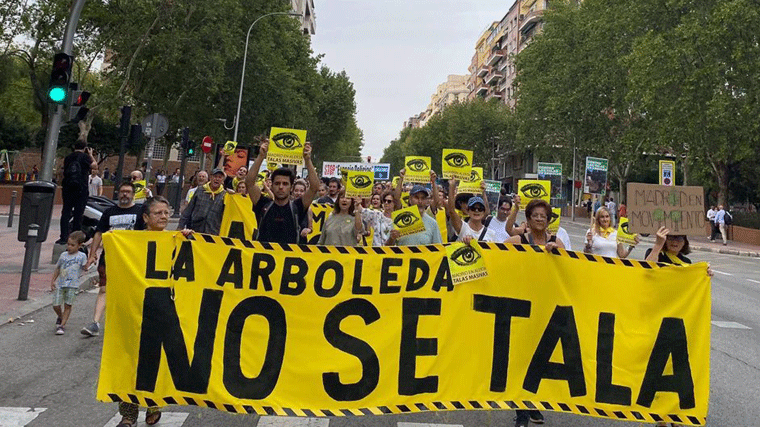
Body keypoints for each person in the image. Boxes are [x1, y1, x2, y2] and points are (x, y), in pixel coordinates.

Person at [115, 196, 192, 427]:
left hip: (165, 309)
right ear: (146, 217)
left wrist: (191, 241)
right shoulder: (131, 242)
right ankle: (128, 413)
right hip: (135, 308)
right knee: (130, 360)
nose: (164, 217)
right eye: (158, 213)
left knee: (157, 359)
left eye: (167, 213)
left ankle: (154, 404)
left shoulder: (177, 241)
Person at [81, 182, 145, 337]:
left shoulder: (140, 211)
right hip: (109, 258)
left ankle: (132, 322)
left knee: (130, 291)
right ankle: (95, 323)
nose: (125, 194)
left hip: (131, 260)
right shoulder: (109, 212)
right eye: (122, 191)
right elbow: (99, 233)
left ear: (133, 194)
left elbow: (147, 233)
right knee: (104, 289)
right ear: (118, 193)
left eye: (128, 192)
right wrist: (92, 254)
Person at [246, 140, 320, 244]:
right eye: (277, 183)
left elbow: (314, 187)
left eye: (285, 184)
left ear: (291, 187)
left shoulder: (297, 207)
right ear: (271, 186)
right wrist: (261, 156)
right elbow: (249, 183)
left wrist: (307, 160)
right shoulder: (263, 204)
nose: (281, 187)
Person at [58, 141, 98, 244]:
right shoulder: (85, 157)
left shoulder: (68, 157)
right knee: (78, 214)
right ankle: (75, 237)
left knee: (66, 212)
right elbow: (94, 166)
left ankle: (63, 237)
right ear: (85, 148)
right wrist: (90, 154)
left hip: (67, 188)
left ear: (73, 147)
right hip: (81, 189)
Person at [50, 230, 87, 335]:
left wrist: (90, 263)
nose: (69, 247)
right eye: (68, 244)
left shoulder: (82, 256)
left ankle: (62, 325)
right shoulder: (63, 255)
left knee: (68, 305)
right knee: (56, 304)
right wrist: (53, 281)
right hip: (61, 284)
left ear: (79, 245)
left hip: (73, 285)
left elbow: (85, 267)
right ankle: (60, 316)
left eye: (72, 245)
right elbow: (58, 268)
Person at [645, 226, 713, 279]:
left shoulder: (686, 262)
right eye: (671, 238)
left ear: (684, 242)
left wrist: (704, 275)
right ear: (665, 240)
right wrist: (658, 244)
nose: (675, 242)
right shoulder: (654, 253)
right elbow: (647, 271)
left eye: (679, 239)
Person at [178, 168, 227, 234]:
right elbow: (188, 210)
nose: (217, 179)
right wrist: (180, 226)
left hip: (213, 232)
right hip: (195, 230)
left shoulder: (224, 195)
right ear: (211, 178)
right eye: (215, 176)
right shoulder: (200, 190)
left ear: (222, 180)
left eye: (220, 177)